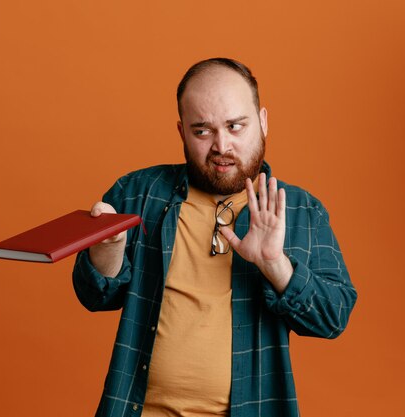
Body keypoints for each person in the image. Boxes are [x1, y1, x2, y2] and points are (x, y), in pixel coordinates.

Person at [72, 57, 357, 417]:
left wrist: (276, 265)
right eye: (202, 131)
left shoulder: (300, 210)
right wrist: (107, 250)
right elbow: (94, 295)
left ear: (263, 122)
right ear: (181, 132)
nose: (221, 146)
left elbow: (333, 317)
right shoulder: (137, 194)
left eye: (236, 126)